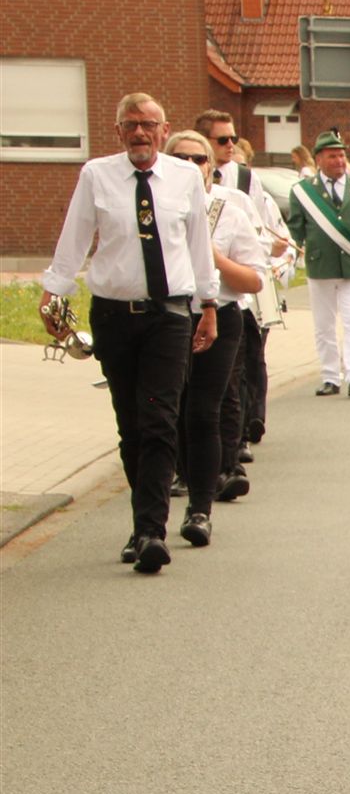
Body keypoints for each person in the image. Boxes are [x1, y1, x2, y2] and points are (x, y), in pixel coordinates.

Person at [40, 93, 220, 573]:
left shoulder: (184, 178)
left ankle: (150, 532)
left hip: (170, 316)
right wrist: (53, 291)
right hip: (115, 316)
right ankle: (142, 525)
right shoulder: (96, 175)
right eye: (131, 124)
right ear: (118, 131)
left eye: (148, 124)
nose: (140, 133)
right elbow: (75, 236)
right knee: (132, 425)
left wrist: (208, 304)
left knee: (160, 418)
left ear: (164, 131)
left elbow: (198, 245)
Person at [164, 130, 267, 545]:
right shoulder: (154, 208)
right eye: (181, 159)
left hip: (220, 318)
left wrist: (214, 258)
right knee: (168, 413)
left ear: (210, 167)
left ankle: (200, 508)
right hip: (166, 318)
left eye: (199, 159)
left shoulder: (229, 212)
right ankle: (179, 483)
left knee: (204, 411)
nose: (191, 167)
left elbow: (254, 280)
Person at [196, 109, 293, 453]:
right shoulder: (183, 179)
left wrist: (269, 250)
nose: (230, 145)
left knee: (248, 359)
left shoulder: (245, 179)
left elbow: (258, 228)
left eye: (233, 138)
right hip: (201, 291)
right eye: (222, 139)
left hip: (240, 285)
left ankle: (245, 430)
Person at [286, 128, 350, 397]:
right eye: (332, 156)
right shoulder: (303, 192)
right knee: (324, 325)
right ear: (318, 159)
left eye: (342, 155)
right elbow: (295, 230)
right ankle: (330, 376)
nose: (339, 161)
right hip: (321, 267)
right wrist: (287, 259)